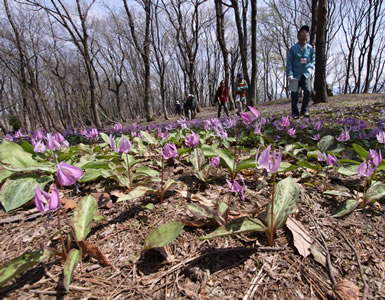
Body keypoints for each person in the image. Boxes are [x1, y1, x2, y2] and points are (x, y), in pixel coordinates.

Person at [286, 25, 315, 119]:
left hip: (305, 74)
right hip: (294, 75)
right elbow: (289, 63)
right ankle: (295, 113)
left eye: (306, 33)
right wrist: (289, 74)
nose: (304, 34)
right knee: (294, 95)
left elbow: (313, 59)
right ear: (298, 35)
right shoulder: (293, 49)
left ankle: (304, 110)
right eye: (302, 33)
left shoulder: (310, 48)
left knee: (308, 91)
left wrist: (311, 68)